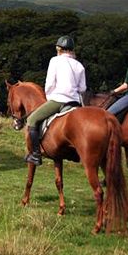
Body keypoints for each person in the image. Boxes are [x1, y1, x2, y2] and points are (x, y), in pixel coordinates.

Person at [24, 36, 86, 165]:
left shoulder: (55, 61)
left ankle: (35, 154)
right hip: (75, 102)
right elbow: (82, 88)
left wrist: (49, 97)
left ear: (59, 48)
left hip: (58, 100)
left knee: (31, 120)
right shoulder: (79, 65)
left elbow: (50, 83)